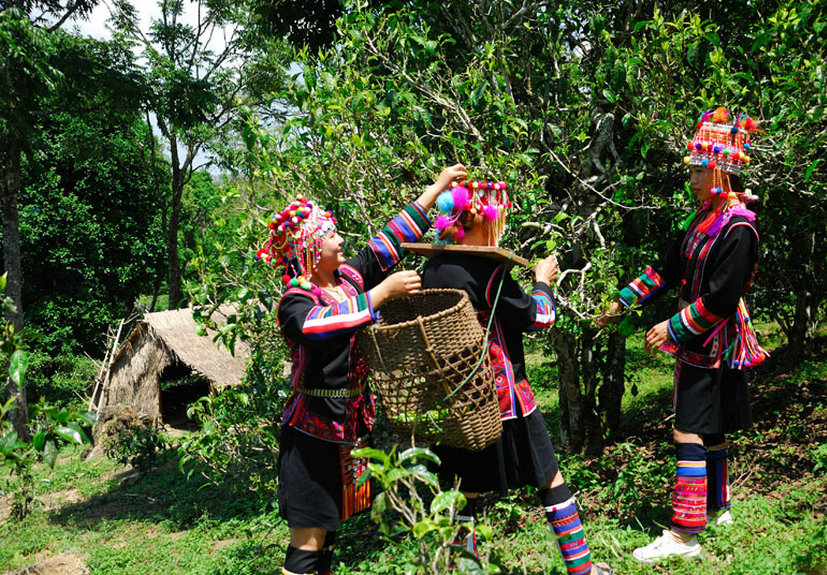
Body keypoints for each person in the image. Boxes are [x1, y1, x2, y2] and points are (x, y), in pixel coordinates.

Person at [257, 164, 468, 575]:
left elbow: (387, 242)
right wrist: (379, 295)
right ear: (311, 250)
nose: (341, 241)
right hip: (311, 439)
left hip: (349, 431)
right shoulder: (295, 302)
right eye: (332, 236)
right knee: (308, 544)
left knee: (327, 540)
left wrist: (436, 188)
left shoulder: (347, 280)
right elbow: (318, 325)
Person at [599, 107, 768, 563]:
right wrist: (624, 301)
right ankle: (718, 507)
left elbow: (720, 300)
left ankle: (684, 534)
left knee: (688, 431)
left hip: (712, 340)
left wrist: (671, 328)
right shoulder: (703, 218)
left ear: (721, 170)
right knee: (711, 428)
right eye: (692, 170)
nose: (691, 178)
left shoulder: (738, 229)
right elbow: (667, 267)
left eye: (698, 170)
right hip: (700, 339)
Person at [422, 180, 613, 575]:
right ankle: (582, 570)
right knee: (549, 478)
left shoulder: (433, 267)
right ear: (481, 219)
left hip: (458, 401)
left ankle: (463, 568)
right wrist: (543, 280)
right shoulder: (487, 271)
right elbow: (539, 315)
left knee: (464, 490)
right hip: (504, 399)